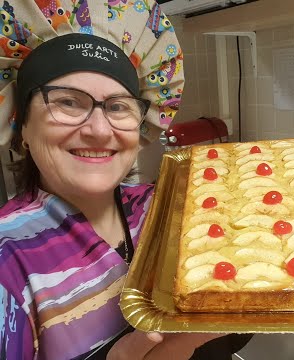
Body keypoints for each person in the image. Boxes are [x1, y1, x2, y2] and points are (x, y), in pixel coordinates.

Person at [0, 1, 252, 358]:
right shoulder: (9, 264)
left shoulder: (170, 209)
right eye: (68, 102)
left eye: (118, 106)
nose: (99, 130)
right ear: (21, 124)